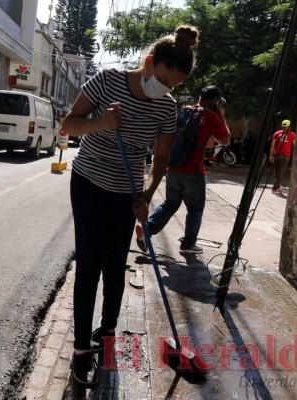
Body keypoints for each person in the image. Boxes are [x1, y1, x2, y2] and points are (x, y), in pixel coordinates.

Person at [61, 25, 199, 386]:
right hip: (89, 183)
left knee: (114, 265)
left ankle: (106, 333)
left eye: (174, 86)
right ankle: (79, 350)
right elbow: (67, 124)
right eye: (165, 80)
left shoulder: (166, 107)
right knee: (89, 264)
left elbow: (162, 160)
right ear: (151, 62)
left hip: (127, 192)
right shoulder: (108, 82)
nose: (167, 90)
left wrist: (148, 195)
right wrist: (102, 122)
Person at [135, 85, 231, 254]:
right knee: (195, 208)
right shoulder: (210, 116)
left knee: (170, 204)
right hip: (193, 172)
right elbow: (225, 140)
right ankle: (188, 244)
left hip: (173, 167)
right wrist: (221, 117)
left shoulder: (185, 110)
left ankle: (147, 229)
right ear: (216, 102)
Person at [269, 119, 296, 195]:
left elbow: (272, 145)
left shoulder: (276, 133)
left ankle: (277, 186)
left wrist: (271, 155)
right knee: (280, 173)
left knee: (277, 171)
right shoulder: (292, 135)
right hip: (286, 156)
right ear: (289, 126)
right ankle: (275, 188)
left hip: (276, 155)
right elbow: (295, 146)